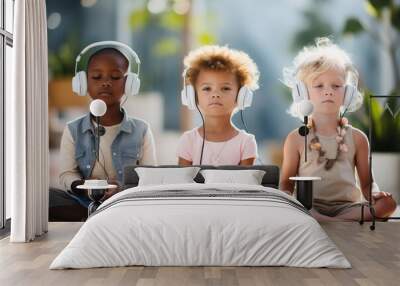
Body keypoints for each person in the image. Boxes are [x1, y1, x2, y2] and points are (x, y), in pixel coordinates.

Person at [280, 37, 396, 221]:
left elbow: (367, 184)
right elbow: (285, 184)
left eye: (336, 86)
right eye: (319, 86)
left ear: (348, 94)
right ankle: (332, 221)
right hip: (311, 207)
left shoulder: (357, 138)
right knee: (292, 208)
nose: (328, 91)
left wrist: (376, 194)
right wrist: (288, 201)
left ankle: (333, 222)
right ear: (303, 94)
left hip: (348, 207)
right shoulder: (295, 139)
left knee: (388, 204)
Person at [49, 42, 157, 221]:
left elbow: (150, 176)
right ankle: (101, 215)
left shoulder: (142, 129)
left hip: (125, 200)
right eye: (97, 77)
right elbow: (67, 174)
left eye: (115, 77)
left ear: (129, 84)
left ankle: (99, 217)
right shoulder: (73, 129)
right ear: (83, 83)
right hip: (84, 201)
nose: (106, 83)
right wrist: (83, 186)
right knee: (48, 198)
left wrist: (121, 188)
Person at [178, 45, 260, 166]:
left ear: (241, 96)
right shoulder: (188, 140)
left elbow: (245, 183)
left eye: (225, 88)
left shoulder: (246, 142)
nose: (215, 94)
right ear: (192, 96)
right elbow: (182, 182)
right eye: (207, 88)